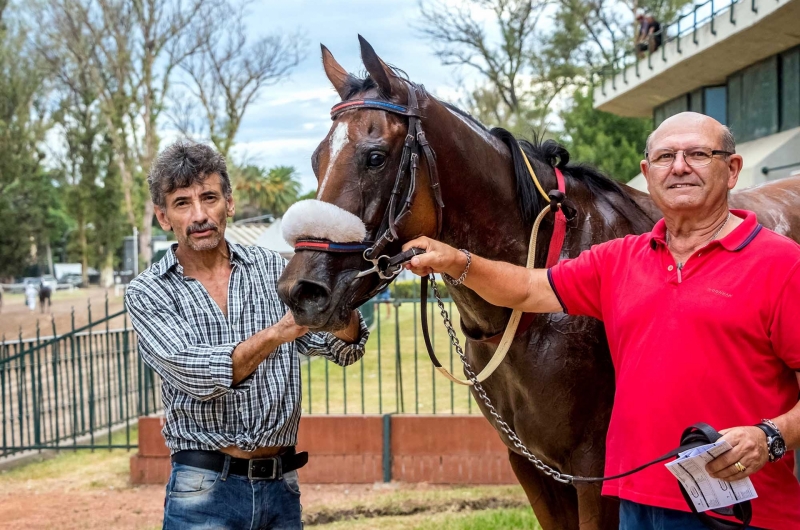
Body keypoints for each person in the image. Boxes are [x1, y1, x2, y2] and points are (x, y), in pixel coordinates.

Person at [402, 112, 800, 530]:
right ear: (648, 172)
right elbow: (523, 288)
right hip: (637, 504)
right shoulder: (620, 259)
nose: (680, 166)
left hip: (741, 511)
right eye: (665, 157)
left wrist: (771, 437)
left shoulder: (781, 264)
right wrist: (455, 260)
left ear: (732, 169)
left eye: (698, 154)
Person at [125, 141, 369, 530]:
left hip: (281, 488)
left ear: (230, 204)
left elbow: (342, 348)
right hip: (202, 491)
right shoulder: (148, 292)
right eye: (183, 203)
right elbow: (198, 375)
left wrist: (337, 291)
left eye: (209, 197)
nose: (201, 215)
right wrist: (279, 332)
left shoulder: (277, 270)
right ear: (163, 216)